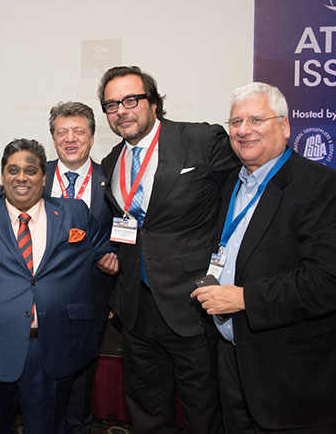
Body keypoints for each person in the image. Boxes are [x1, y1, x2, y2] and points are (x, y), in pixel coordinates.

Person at [192, 82, 336, 433]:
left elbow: (331, 280)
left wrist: (244, 298)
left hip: (297, 377)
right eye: (236, 122)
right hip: (234, 362)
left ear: (284, 126)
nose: (243, 130)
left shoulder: (320, 186)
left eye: (256, 119)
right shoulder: (231, 183)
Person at [0, 138, 117, 433]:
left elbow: (106, 247)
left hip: (54, 347)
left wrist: (112, 260)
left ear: (44, 177)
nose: (21, 178)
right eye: (13, 170)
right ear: (3, 175)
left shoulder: (74, 212)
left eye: (30, 171)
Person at [98, 65, 238, 433]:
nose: (121, 111)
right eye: (111, 105)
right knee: (147, 411)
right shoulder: (112, 162)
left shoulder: (201, 139)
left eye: (131, 100)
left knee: (204, 412)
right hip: (136, 308)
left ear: (153, 103)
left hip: (192, 303)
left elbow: (242, 198)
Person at [45, 101, 114, 433]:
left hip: (91, 300)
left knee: (81, 386)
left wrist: (115, 267)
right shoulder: (33, 175)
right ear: (53, 138)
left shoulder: (112, 180)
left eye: (78, 131)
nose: (70, 139)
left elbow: (128, 235)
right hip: (39, 301)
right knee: (41, 386)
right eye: (62, 132)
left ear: (92, 137)